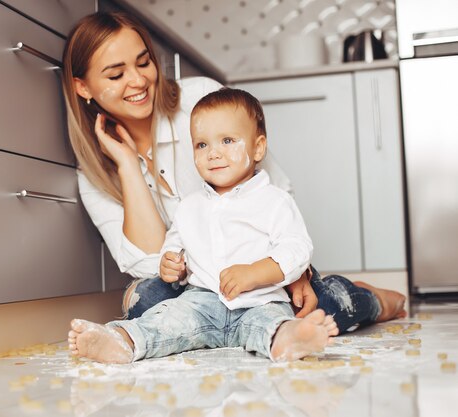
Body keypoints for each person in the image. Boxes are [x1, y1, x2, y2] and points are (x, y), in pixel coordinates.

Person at [60, 11, 406, 333]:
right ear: (83, 88)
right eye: (116, 74)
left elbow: (277, 191)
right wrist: (127, 167)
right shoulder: (92, 173)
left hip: (256, 273)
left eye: (144, 62)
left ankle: (364, 298)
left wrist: (289, 271)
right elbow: (150, 265)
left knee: (311, 306)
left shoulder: (201, 100)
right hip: (193, 290)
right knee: (146, 302)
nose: (138, 80)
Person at [68, 88, 339, 363]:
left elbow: (297, 246)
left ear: (258, 147)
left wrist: (257, 272)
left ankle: (293, 339)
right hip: (201, 303)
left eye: (228, 141)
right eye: (202, 145)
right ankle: (122, 341)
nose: (213, 154)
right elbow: (176, 243)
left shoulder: (273, 201)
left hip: (260, 301)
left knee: (271, 324)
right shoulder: (190, 205)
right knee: (166, 320)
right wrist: (172, 262)